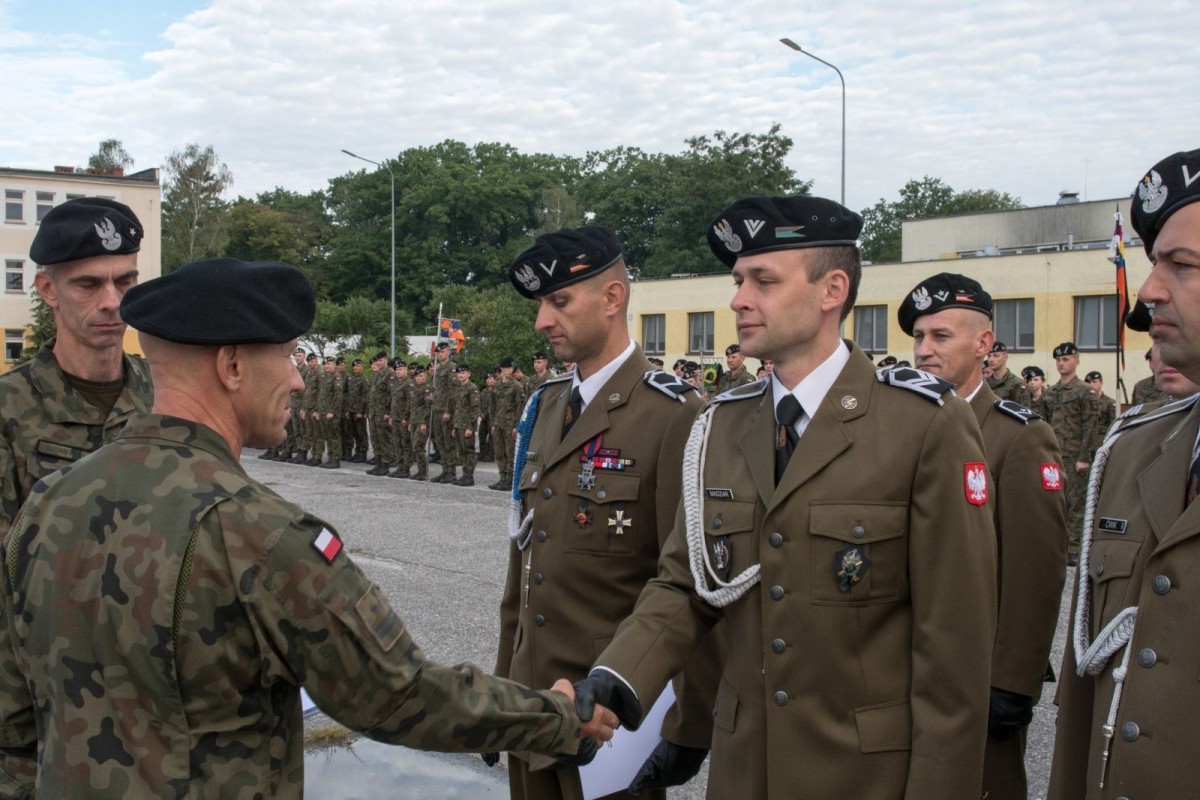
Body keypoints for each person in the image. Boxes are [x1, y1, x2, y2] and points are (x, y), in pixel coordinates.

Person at [0, 257, 617, 798]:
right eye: (289, 356)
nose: (298, 378)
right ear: (234, 366)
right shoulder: (260, 535)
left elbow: (16, 707)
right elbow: (400, 696)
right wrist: (557, 715)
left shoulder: (51, 500)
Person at [573, 195, 998, 798]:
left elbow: (953, 650)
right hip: (747, 768)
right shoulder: (721, 424)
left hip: (865, 775)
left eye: (763, 280)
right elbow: (685, 584)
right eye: (738, 280)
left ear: (832, 290)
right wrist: (617, 679)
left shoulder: (924, 426)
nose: (739, 299)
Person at [496, 225, 718, 800]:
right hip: (531, 709)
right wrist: (502, 687)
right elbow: (523, 565)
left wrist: (688, 726)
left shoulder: (674, 414)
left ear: (613, 298)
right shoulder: (545, 406)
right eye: (543, 304)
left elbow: (689, 582)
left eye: (559, 301)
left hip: (611, 728)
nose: (542, 321)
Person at [1048, 148, 1200, 798]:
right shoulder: (1139, 450)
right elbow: (1089, 696)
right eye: (1153, 263)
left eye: (1182, 266)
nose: (1150, 291)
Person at [0, 197, 155, 796]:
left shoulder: (166, 399)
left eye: (125, 281)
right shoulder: (10, 412)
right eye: (88, 284)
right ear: (47, 288)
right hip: (35, 721)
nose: (112, 302)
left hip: (148, 711)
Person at [900, 272, 1067, 800]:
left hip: (977, 680)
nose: (924, 350)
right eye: (919, 337)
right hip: (902, 670)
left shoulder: (1018, 437)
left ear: (985, 345)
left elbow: (1036, 569)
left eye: (940, 336)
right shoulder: (903, 426)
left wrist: (1011, 680)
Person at [1044, 342, 1102, 563]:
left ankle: (1074, 548)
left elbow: (1091, 427)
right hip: (1054, 455)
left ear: (1076, 361)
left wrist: (1084, 457)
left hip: (1075, 456)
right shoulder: (1051, 392)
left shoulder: (1084, 392)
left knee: (1075, 503)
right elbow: (1044, 424)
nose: (1061, 363)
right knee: (1054, 501)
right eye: (1058, 360)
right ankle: (1057, 544)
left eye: (1066, 359)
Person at [489, 356, 525, 491]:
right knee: (499, 452)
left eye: (511, 368)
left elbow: (520, 407)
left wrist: (516, 426)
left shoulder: (516, 386)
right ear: (501, 369)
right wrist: (493, 422)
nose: (510, 370)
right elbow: (493, 405)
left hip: (510, 424)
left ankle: (510, 480)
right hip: (498, 422)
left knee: (510, 453)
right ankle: (502, 478)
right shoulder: (497, 385)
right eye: (507, 368)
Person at [447, 363, 481, 486]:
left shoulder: (472, 388)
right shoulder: (459, 389)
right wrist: (455, 426)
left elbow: (475, 409)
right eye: (459, 373)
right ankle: (464, 475)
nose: (461, 375)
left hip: (467, 426)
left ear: (469, 374)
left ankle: (469, 477)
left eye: (463, 373)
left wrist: (471, 427)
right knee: (461, 452)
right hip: (459, 425)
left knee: (469, 451)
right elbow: (457, 409)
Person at [431, 342, 459, 483]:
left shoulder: (451, 368)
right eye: (438, 352)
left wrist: (448, 410)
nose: (440, 354)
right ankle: (445, 470)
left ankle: (451, 471)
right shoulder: (438, 369)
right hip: (436, 409)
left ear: (448, 352)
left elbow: (453, 392)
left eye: (442, 352)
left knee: (448, 442)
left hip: (445, 411)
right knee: (440, 442)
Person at [366, 352, 395, 476]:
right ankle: (378, 463)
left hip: (383, 412)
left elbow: (392, 395)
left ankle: (385, 464)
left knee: (384, 439)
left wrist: (389, 412)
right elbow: (372, 395)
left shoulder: (390, 374)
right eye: (377, 361)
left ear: (386, 360)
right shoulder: (377, 375)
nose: (379, 362)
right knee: (375, 439)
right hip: (374, 413)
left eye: (381, 360)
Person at [403, 364, 432, 480]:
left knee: (418, 447)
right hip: (414, 421)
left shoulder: (427, 389)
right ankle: (420, 471)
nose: (419, 378)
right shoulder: (415, 390)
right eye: (417, 376)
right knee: (415, 446)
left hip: (422, 422)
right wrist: (409, 421)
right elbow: (412, 407)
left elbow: (428, 407)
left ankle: (423, 472)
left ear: (425, 376)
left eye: (421, 376)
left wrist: (424, 422)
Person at [316, 355, 344, 468]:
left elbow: (338, 396)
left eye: (329, 364)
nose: (326, 366)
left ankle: (335, 460)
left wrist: (332, 411)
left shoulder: (336, 377)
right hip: (323, 411)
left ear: (334, 365)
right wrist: (318, 410)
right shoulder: (323, 377)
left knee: (334, 437)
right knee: (327, 436)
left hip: (331, 413)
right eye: (325, 364)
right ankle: (330, 458)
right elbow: (320, 395)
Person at [988, 342, 1033, 408]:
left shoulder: (1017, 384)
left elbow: (1023, 413)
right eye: (989, 356)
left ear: (1005, 357)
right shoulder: (984, 383)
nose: (991, 359)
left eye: (996, 355)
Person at [346, 358, 369, 462]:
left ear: (362, 367)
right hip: (351, 410)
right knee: (354, 433)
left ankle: (363, 453)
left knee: (361, 433)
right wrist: (347, 410)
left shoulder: (364, 379)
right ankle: (357, 452)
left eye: (358, 366)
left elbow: (365, 396)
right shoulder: (351, 379)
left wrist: (361, 411)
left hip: (359, 411)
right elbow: (349, 395)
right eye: (354, 366)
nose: (356, 368)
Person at [1085, 371, 1117, 440]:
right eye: (1088, 382)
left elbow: (1113, 426)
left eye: (1094, 382)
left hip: (1102, 441)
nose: (1091, 384)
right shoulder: (1083, 402)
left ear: (1101, 383)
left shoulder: (1110, 403)